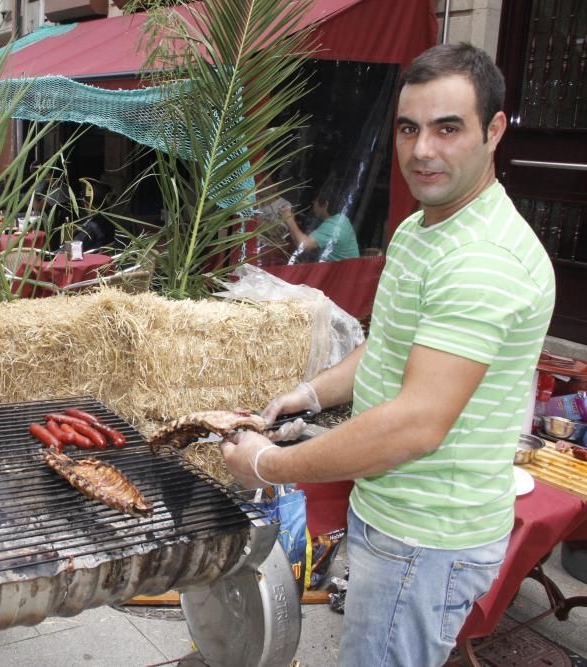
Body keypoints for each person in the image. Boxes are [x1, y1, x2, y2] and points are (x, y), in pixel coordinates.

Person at [219, 43, 555, 667]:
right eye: (409, 128)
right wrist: (310, 393)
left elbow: (416, 423)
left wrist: (268, 465)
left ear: (495, 131)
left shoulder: (481, 259)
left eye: (448, 128)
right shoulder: (420, 228)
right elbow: (390, 350)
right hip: (391, 517)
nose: (423, 149)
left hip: (426, 537)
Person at [284, 177, 359, 262]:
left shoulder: (334, 226)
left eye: (316, 200)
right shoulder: (342, 219)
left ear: (325, 204)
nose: (313, 202)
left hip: (343, 273)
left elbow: (302, 245)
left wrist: (289, 219)